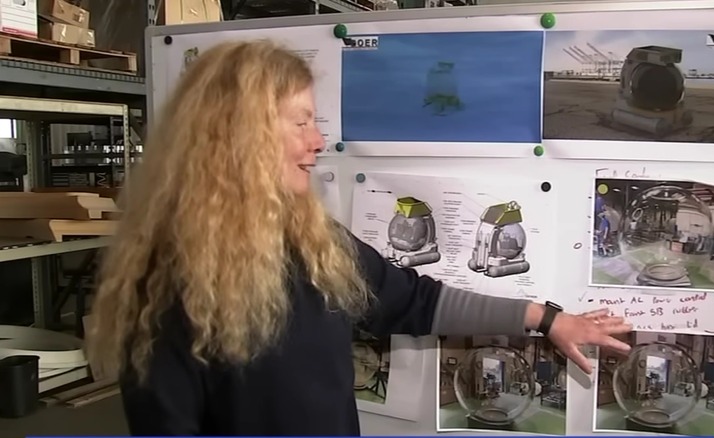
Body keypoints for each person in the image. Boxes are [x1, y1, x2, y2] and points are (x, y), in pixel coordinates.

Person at [86, 40, 632, 437]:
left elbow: (415, 301)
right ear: (236, 136)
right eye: (300, 122)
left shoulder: (313, 240)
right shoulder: (164, 283)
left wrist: (548, 318)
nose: (318, 140)